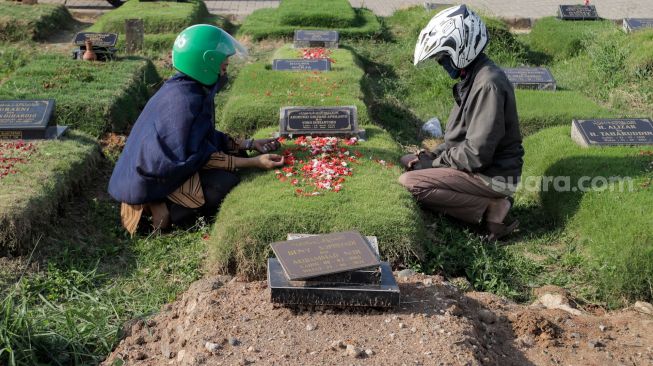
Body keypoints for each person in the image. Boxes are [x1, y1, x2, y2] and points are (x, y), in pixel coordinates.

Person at [108, 24, 284, 235]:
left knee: (233, 155)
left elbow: (204, 136)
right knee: (223, 182)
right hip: (148, 182)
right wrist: (253, 162)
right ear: (207, 60)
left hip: (153, 171)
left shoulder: (186, 87)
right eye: (223, 59)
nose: (226, 63)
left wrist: (250, 144)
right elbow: (202, 155)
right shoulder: (185, 101)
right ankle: (164, 213)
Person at [398, 5, 524, 240]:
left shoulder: (487, 84)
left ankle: (491, 207)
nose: (441, 63)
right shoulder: (472, 77)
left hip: (492, 175)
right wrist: (432, 156)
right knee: (408, 161)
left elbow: (476, 154)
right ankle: (490, 203)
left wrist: (435, 164)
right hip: (480, 167)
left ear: (462, 49)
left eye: (443, 57)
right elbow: (457, 139)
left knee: (409, 182)